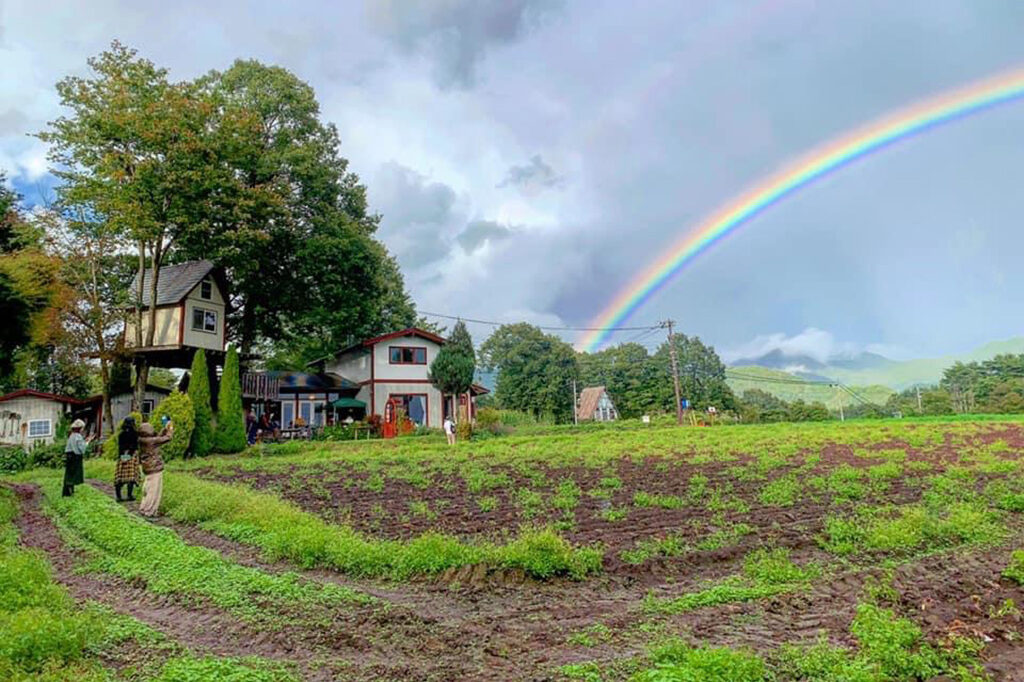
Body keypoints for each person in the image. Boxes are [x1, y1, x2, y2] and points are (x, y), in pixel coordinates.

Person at [138, 421, 172, 517]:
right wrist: (170, 430)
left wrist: (164, 429)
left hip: (147, 467)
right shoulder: (151, 441)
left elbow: (157, 439)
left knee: (147, 489)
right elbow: (167, 438)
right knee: (154, 490)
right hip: (155, 467)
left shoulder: (142, 440)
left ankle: (143, 508)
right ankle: (149, 511)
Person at [62, 419, 91, 497]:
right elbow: (81, 448)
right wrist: (87, 442)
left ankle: (67, 492)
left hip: (69, 456)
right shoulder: (77, 436)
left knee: (69, 474)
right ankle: (69, 492)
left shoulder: (71, 435)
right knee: (73, 475)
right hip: (75, 457)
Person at [114, 416, 140, 502]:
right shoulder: (135, 434)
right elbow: (135, 445)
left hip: (122, 455)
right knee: (131, 476)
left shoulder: (121, 434)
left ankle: (118, 496)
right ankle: (129, 495)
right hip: (132, 455)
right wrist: (129, 453)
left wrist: (123, 455)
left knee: (120, 475)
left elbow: (120, 447)